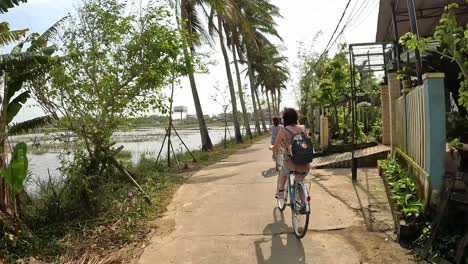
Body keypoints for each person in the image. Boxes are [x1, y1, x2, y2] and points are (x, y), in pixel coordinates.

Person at [269, 108, 310, 198]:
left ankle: (280, 192)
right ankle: (302, 200)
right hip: (305, 163)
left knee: (283, 173)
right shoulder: (303, 128)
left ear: (285, 119)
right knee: (299, 178)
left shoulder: (283, 130)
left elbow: (275, 147)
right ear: (296, 118)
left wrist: (272, 147)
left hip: (291, 164)